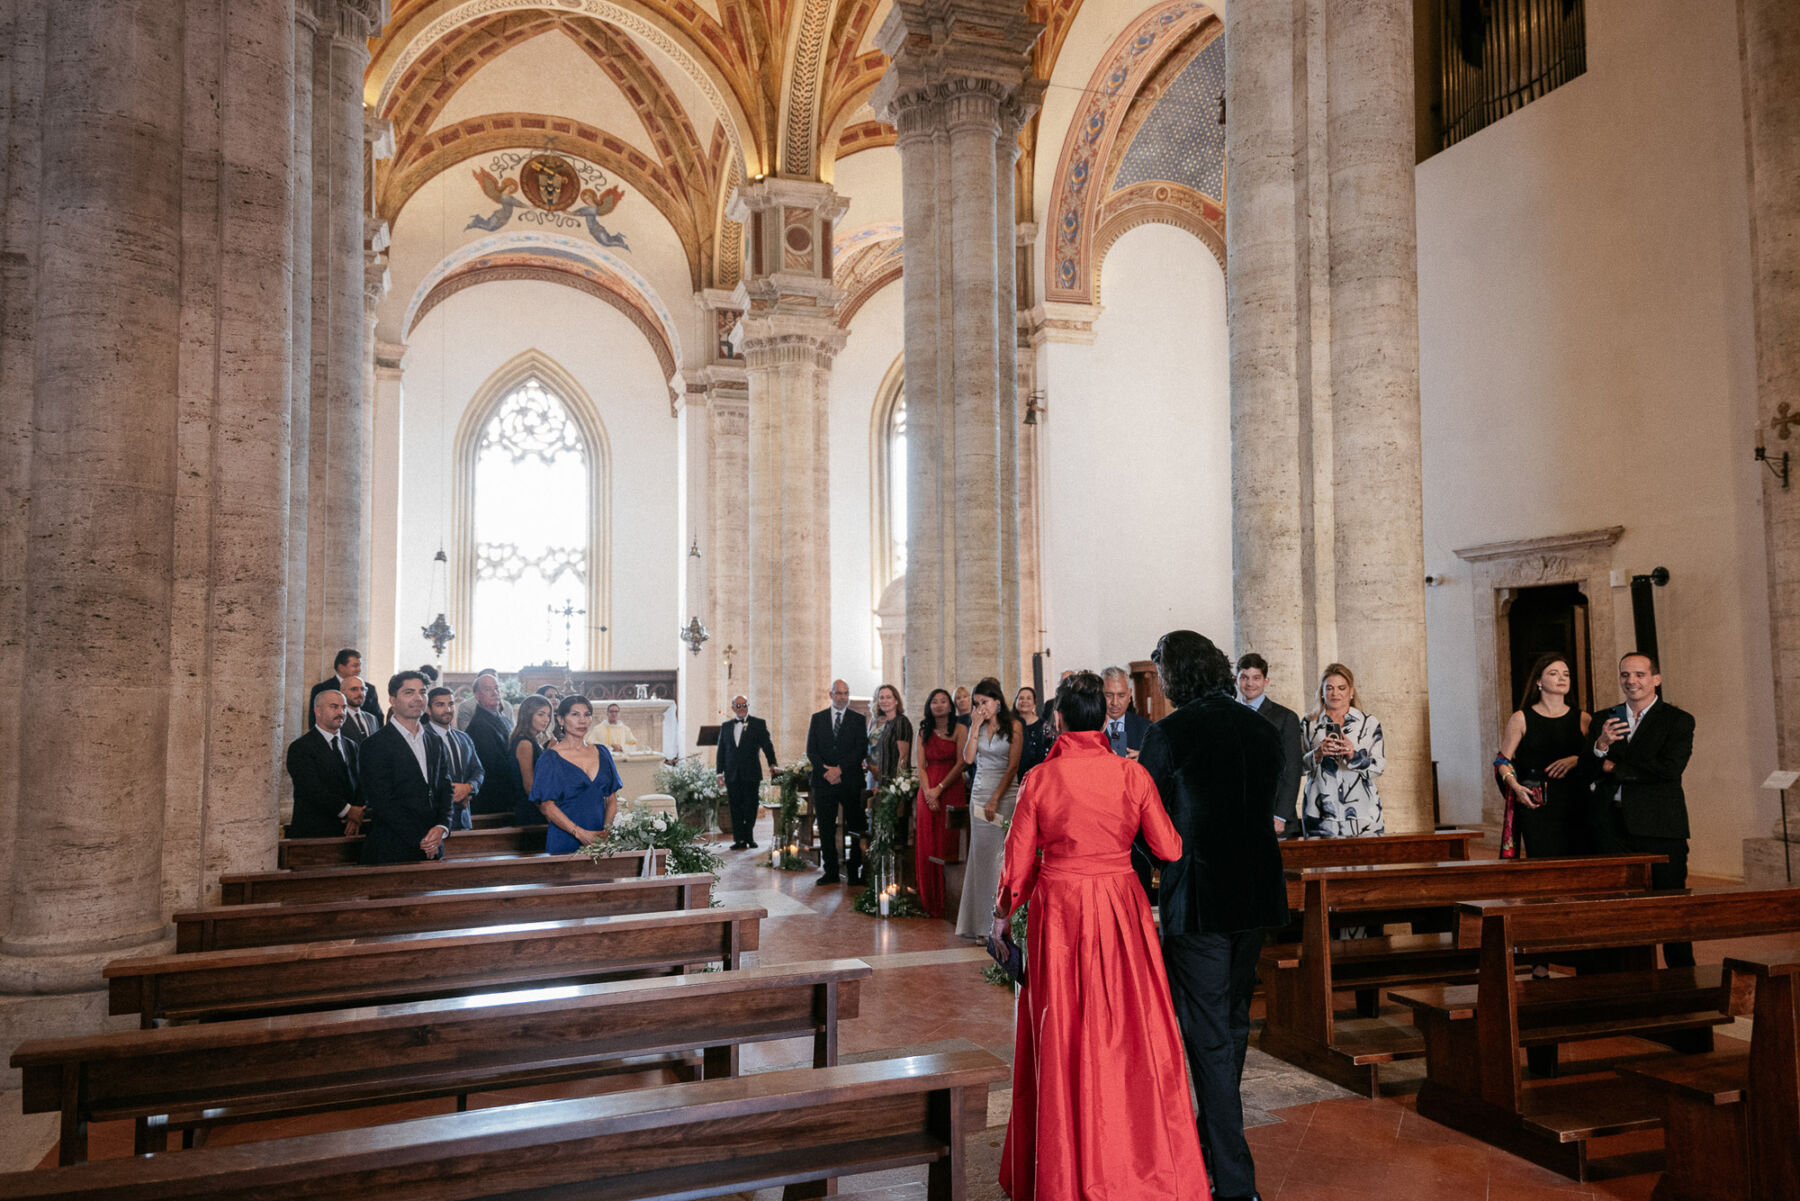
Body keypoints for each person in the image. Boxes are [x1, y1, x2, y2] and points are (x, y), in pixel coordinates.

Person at [993, 670, 1210, 1201]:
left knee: (1063, 1030)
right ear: (1106, 717)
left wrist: (1001, 918)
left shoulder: (1041, 779)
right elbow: (1170, 848)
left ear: (1059, 719)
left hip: (1061, 911)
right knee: (1131, 1030)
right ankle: (1140, 1162)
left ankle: (1066, 1169)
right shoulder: (1130, 776)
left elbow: (1017, 868)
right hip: (1120, 907)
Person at [1141, 632, 1288, 1201]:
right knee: (1228, 1026)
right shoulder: (1263, 729)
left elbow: (1150, 825)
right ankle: (1212, 1143)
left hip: (1200, 901)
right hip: (1254, 898)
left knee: (1208, 1035)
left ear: (1178, 676)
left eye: (1162, 675)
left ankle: (1234, 1181)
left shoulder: (1169, 734)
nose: (1160, 685)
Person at [1590, 651, 1696, 967]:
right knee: (1620, 913)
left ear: (1656, 679)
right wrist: (1601, 746)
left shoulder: (1678, 720)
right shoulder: (1603, 719)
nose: (1631, 681)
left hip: (1661, 827)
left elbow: (1668, 769)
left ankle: (1683, 988)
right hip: (1612, 826)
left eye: (1639, 674)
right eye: (1625, 674)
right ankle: (1630, 983)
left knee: (1671, 912)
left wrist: (1613, 766)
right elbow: (1588, 767)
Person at [1495, 653, 1593, 859]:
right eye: (1554, 673)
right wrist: (1516, 787)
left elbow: (1596, 757)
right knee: (1544, 860)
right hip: (1537, 801)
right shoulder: (1521, 718)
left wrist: (1576, 759)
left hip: (1576, 800)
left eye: (1566, 674)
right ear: (1539, 681)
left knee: (1580, 860)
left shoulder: (1583, 719)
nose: (1562, 678)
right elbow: (1502, 760)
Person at [358, 671, 452, 864]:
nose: (418, 698)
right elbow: (382, 801)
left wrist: (442, 827)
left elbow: (445, 788)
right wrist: (422, 839)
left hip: (433, 847)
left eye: (422, 692)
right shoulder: (374, 744)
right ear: (392, 699)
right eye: (409, 692)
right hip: (392, 849)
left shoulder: (434, 741)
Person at [955, 677, 1024, 939]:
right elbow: (969, 759)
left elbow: (1013, 767)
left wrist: (996, 797)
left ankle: (999, 923)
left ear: (997, 701)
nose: (980, 707)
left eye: (984, 702)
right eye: (976, 704)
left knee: (1000, 859)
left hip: (1005, 796)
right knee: (981, 858)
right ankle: (979, 924)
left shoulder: (1014, 726)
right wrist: (974, 726)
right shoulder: (979, 726)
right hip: (980, 794)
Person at [1299, 663, 1386, 837]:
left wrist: (1353, 756)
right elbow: (1296, 767)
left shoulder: (1368, 724)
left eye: (1341, 688)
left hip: (1363, 814)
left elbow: (1379, 767)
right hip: (1319, 815)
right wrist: (1317, 753)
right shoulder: (1309, 724)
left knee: (1366, 863)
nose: (1335, 693)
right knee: (1321, 864)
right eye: (1329, 688)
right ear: (1322, 692)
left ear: (1351, 691)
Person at [532, 695, 623, 853]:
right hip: (565, 838)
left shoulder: (602, 752)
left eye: (587, 715)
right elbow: (547, 807)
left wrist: (606, 833)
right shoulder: (550, 758)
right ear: (561, 720)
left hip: (600, 841)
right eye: (575, 714)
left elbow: (611, 799)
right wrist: (580, 834)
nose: (583, 720)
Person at [805, 679, 868, 885]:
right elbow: (811, 750)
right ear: (830, 694)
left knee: (856, 825)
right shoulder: (818, 718)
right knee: (825, 827)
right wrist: (826, 771)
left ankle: (853, 870)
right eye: (838, 693)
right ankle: (830, 871)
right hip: (823, 782)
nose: (842, 697)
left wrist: (840, 769)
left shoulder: (858, 719)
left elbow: (860, 749)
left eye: (846, 693)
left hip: (850, 780)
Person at [1236, 653, 1305, 837]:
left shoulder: (1285, 718)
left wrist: (1281, 815)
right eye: (1244, 677)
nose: (1250, 683)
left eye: (1256, 678)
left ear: (1266, 681)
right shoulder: (1228, 715)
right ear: (1237, 680)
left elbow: (1292, 769)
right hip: (1239, 815)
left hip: (1273, 815)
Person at [915, 688, 968, 919]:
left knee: (948, 843)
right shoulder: (924, 730)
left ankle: (951, 902)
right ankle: (929, 900)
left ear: (950, 705)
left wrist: (940, 789)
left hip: (950, 788)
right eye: (934, 701)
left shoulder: (960, 729)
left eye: (943, 701)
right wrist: (928, 792)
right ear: (929, 705)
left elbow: (961, 763)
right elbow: (921, 765)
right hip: (927, 792)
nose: (938, 705)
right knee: (928, 845)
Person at [286, 688, 364, 838]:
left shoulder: (351, 745)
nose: (341, 712)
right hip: (314, 830)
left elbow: (360, 782)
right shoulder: (300, 747)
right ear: (318, 711)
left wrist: (356, 813)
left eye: (344, 707)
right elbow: (312, 789)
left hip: (351, 828)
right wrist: (348, 811)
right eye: (334, 707)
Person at [715, 694, 777, 850]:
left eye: (744, 705)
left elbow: (767, 745)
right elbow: (721, 751)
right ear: (732, 707)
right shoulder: (726, 726)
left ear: (748, 706)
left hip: (751, 772)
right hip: (732, 773)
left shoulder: (758, 724)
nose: (741, 708)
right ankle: (739, 840)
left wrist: (772, 763)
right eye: (738, 705)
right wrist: (719, 773)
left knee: (750, 806)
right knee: (735, 807)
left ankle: (749, 836)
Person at [427, 686, 485, 830]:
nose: (447, 709)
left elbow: (479, 771)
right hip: (434, 819)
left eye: (451, 704)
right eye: (440, 705)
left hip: (463, 817)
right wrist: (451, 795)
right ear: (428, 709)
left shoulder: (464, 738)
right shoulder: (422, 738)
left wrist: (469, 788)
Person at [463, 674, 513, 817]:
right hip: (493, 796)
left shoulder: (502, 718)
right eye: (487, 689)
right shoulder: (479, 725)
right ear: (477, 695)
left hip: (504, 793)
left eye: (496, 688)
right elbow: (493, 764)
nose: (494, 692)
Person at [505, 695, 554, 826]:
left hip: (535, 806)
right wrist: (547, 811)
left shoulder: (532, 741)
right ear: (528, 715)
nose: (546, 720)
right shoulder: (525, 743)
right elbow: (529, 786)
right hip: (530, 810)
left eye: (548, 715)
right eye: (541, 714)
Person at [309, 647, 383, 730]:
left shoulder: (369, 688)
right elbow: (314, 720)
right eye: (355, 666)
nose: (359, 669)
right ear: (341, 667)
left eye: (359, 665)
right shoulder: (322, 689)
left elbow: (378, 718)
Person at [866, 683, 913, 788]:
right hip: (884, 781)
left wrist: (898, 786)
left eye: (888, 697)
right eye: (881, 698)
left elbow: (903, 757)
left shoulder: (901, 721)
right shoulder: (888, 723)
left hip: (895, 783)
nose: (884, 701)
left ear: (896, 701)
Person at [1101, 665, 1149, 758]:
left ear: (1129, 694)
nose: (1115, 702)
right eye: (1109, 695)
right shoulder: (1089, 728)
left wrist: (1144, 759)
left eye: (1121, 695)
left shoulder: (1147, 728)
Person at [1014, 685, 1050, 777]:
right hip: (1013, 775)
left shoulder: (1044, 725)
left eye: (1029, 698)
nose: (1024, 701)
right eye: (1021, 698)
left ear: (1034, 704)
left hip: (1037, 775)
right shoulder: (1010, 724)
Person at [338, 676, 379, 743]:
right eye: (354, 689)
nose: (360, 693)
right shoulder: (338, 717)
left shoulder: (372, 719)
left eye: (363, 689)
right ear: (342, 692)